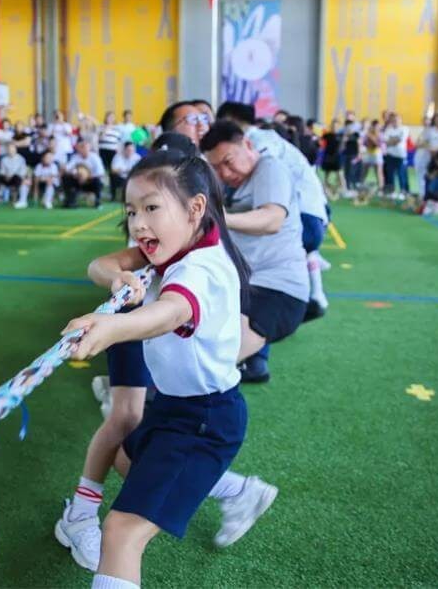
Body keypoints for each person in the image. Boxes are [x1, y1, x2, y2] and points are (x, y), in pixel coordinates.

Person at [58, 150, 276, 585]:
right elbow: (100, 265)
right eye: (131, 211)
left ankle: (228, 486)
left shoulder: (200, 268)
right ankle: (235, 489)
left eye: (151, 208)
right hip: (174, 409)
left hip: (205, 419)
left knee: (121, 532)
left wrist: (113, 325)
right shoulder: (180, 243)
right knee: (125, 458)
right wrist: (116, 279)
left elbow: (172, 310)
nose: (139, 224)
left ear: (196, 208)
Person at [200, 121, 309, 383]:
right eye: (215, 167)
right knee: (199, 351)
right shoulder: (235, 182)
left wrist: (221, 219)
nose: (225, 172)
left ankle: (142, 400)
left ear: (248, 145)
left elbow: (272, 220)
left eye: (228, 161)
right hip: (246, 286)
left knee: (209, 364)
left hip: (277, 291)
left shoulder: (270, 168)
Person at [415, 113, 438, 199]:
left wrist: (437, 150)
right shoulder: (429, 130)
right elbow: (424, 142)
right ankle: (423, 193)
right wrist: (430, 150)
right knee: (426, 173)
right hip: (429, 154)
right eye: (436, 119)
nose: (437, 120)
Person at [62, 139, 105, 208]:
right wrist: (76, 175)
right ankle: (71, 201)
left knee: (98, 181)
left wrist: (87, 177)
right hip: (78, 181)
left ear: (89, 148)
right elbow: (67, 168)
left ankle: (98, 202)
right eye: (81, 147)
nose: (83, 149)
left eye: (85, 147)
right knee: (66, 178)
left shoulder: (95, 157)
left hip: (90, 181)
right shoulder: (75, 157)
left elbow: (100, 172)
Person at [382, 113, 409, 199]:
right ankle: (391, 192)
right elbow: (385, 141)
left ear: (400, 120)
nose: (395, 122)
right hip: (390, 155)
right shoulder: (388, 130)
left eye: (397, 120)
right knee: (390, 175)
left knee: (401, 174)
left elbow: (400, 140)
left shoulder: (404, 129)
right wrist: (393, 140)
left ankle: (403, 191)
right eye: (393, 120)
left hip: (400, 156)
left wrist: (391, 141)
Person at [0, 141, 30, 209]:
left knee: (21, 180)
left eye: (12, 148)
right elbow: (2, 171)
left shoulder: (21, 159)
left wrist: (13, 175)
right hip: (7, 178)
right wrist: (6, 175)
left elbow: (22, 171)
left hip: (17, 178)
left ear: (15, 149)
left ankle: (21, 201)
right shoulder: (3, 159)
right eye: (9, 149)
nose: (10, 150)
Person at [320, 119, 343, 197]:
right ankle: (324, 189)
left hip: (336, 156)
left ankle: (343, 189)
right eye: (333, 125)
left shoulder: (341, 135)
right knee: (327, 174)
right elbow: (321, 141)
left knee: (340, 173)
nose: (335, 127)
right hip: (328, 156)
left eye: (336, 126)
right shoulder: (327, 135)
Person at [360, 120, 385, 191]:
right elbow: (364, 143)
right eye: (374, 126)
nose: (375, 128)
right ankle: (361, 186)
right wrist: (368, 140)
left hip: (377, 154)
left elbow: (379, 144)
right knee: (364, 171)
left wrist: (372, 138)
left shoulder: (380, 134)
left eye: (377, 126)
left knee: (378, 172)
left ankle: (381, 188)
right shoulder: (367, 134)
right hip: (368, 154)